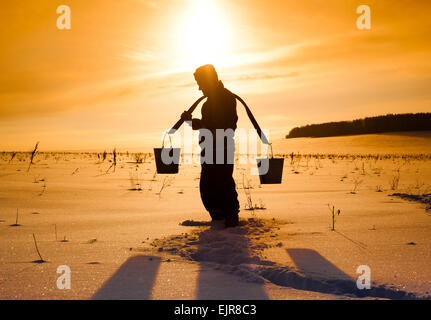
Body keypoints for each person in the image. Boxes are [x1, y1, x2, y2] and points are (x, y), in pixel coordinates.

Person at [181, 64, 240, 228]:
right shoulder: (210, 101)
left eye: (201, 83)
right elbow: (209, 124)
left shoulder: (225, 98)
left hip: (221, 147)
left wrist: (198, 124)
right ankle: (219, 219)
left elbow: (224, 125)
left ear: (210, 81)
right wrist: (192, 122)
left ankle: (230, 218)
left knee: (222, 181)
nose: (199, 88)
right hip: (209, 148)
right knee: (209, 185)